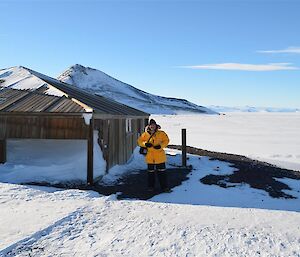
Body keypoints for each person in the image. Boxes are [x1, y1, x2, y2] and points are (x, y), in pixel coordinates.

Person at [138, 119, 170, 192]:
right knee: (150, 173)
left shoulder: (161, 133)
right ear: (149, 126)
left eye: (154, 125)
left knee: (162, 173)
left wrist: (161, 146)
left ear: (156, 125)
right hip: (150, 157)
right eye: (151, 125)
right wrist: (145, 143)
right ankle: (151, 187)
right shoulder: (145, 134)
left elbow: (166, 140)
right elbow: (140, 141)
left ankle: (164, 187)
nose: (152, 126)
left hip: (160, 157)